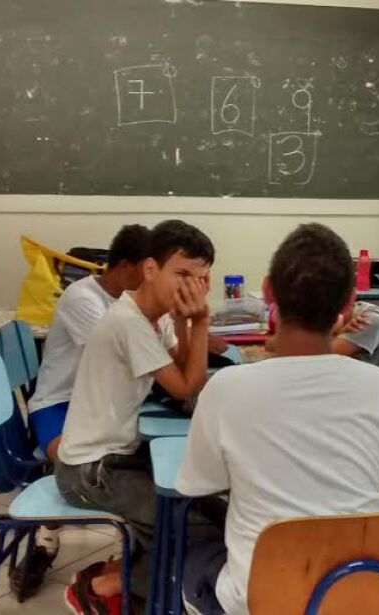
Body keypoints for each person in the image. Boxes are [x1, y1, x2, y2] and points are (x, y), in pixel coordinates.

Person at [176, 224, 379, 615]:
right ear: (349, 303)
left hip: (264, 599)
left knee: (187, 543)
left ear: (268, 291)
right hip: (363, 591)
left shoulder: (224, 389)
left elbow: (199, 484)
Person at [55, 220, 220, 614]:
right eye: (182, 274)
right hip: (89, 469)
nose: (191, 287)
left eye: (201, 279)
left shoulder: (153, 317)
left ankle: (126, 569)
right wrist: (201, 322)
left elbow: (181, 363)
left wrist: (182, 321)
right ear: (150, 269)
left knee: (207, 504)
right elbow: (186, 387)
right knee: (195, 525)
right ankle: (102, 587)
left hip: (116, 456)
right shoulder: (129, 322)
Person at [10, 224, 150, 599]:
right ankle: (44, 542)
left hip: (98, 403)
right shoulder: (82, 298)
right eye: (146, 270)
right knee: (82, 461)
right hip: (57, 404)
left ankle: (130, 548)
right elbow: (118, 358)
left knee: (137, 456)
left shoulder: (126, 301)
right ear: (125, 266)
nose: (149, 279)